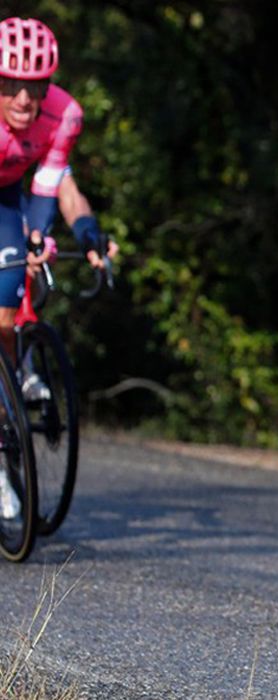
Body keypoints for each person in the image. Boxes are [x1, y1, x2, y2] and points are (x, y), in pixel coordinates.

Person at [0, 16, 84, 520]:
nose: (25, 101)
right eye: (10, 85)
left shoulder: (66, 114)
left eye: (36, 87)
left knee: (5, 317)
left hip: (7, 197)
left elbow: (48, 185)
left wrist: (37, 234)